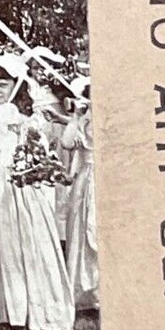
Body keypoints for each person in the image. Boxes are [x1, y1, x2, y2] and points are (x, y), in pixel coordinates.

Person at [0, 54, 75, 330]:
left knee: (15, 238)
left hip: (13, 184)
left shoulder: (24, 118)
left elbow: (38, 150)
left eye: (2, 85)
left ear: (15, 86)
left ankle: (24, 306)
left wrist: (24, 131)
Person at [59, 76, 98, 311]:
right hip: (85, 180)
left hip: (102, 178)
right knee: (82, 231)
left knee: (97, 232)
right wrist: (75, 116)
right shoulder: (83, 119)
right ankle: (85, 292)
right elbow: (66, 143)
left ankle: (103, 292)